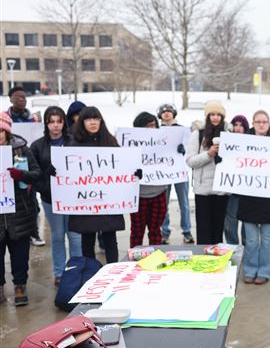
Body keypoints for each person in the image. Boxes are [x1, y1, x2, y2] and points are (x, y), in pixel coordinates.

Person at [30, 106, 82, 286]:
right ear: (46, 123)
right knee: (58, 235)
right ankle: (59, 272)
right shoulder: (37, 145)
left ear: (64, 122)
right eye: (51, 122)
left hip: (73, 197)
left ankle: (76, 269)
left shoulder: (74, 141)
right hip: (50, 198)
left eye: (59, 121)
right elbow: (33, 174)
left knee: (75, 235)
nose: (55, 126)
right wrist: (46, 178)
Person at [68, 107, 126, 264]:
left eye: (96, 119)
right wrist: (58, 170)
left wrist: (134, 173)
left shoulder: (111, 142)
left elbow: (123, 166)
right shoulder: (75, 145)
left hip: (108, 199)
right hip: (86, 200)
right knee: (87, 238)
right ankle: (90, 273)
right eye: (88, 119)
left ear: (101, 121)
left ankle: (112, 271)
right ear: (82, 122)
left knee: (109, 237)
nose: (93, 122)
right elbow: (69, 172)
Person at [237, 110, 270, 285]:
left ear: (269, 123)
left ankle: (264, 270)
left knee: (266, 238)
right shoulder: (243, 143)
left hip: (269, 197)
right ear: (253, 124)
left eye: (265, 121)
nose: (262, 125)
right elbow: (234, 161)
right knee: (250, 238)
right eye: (258, 122)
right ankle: (249, 269)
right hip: (249, 197)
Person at [0, 112, 41, 305]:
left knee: (20, 254)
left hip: (19, 212)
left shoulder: (21, 149)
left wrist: (21, 175)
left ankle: (20, 286)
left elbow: (36, 173)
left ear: (7, 131)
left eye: (1, 130)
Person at [186, 101, 229, 245]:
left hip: (221, 191)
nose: (215, 118)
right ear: (207, 116)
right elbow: (190, 161)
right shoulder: (197, 135)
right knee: (203, 233)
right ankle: (203, 263)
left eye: (219, 115)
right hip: (203, 191)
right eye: (212, 114)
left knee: (218, 232)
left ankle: (217, 263)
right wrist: (208, 154)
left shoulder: (229, 136)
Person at [6, 86, 45, 246]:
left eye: (24, 97)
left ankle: (33, 233)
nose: (22, 99)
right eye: (18, 97)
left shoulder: (34, 119)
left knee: (32, 204)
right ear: (10, 99)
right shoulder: (5, 119)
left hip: (29, 163)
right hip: (8, 167)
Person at [130, 112, 169, 247]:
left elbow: (174, 160)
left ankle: (155, 259)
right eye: (146, 126)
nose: (150, 129)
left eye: (153, 125)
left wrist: (178, 152)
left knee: (155, 232)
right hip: (139, 195)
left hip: (159, 193)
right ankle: (134, 262)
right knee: (137, 232)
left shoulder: (164, 144)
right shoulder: (130, 146)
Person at [157, 103, 194, 244]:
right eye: (163, 111)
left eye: (169, 111)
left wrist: (183, 148)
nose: (166, 113)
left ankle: (187, 231)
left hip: (180, 170)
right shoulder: (157, 130)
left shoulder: (182, 130)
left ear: (174, 113)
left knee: (184, 202)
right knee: (163, 203)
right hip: (163, 172)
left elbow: (189, 145)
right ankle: (164, 231)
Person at [223, 114, 249, 245]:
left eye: (241, 125)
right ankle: (232, 246)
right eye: (236, 125)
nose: (238, 128)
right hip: (231, 189)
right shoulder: (226, 142)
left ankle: (245, 247)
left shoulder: (252, 143)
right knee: (230, 221)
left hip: (246, 190)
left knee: (247, 222)